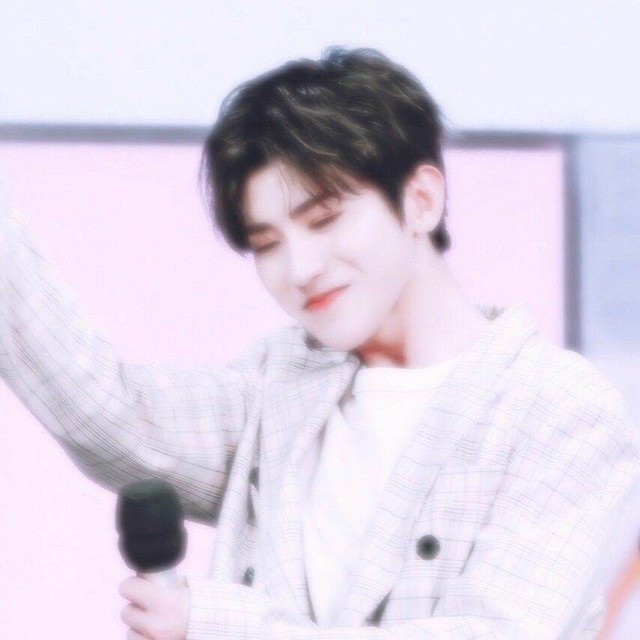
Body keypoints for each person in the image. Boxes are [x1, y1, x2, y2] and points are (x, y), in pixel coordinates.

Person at [1, 46, 639, 640]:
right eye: (267, 244)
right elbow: (112, 414)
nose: (299, 268)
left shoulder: (560, 411)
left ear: (420, 200)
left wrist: (220, 624)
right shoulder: (280, 381)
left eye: (325, 218)